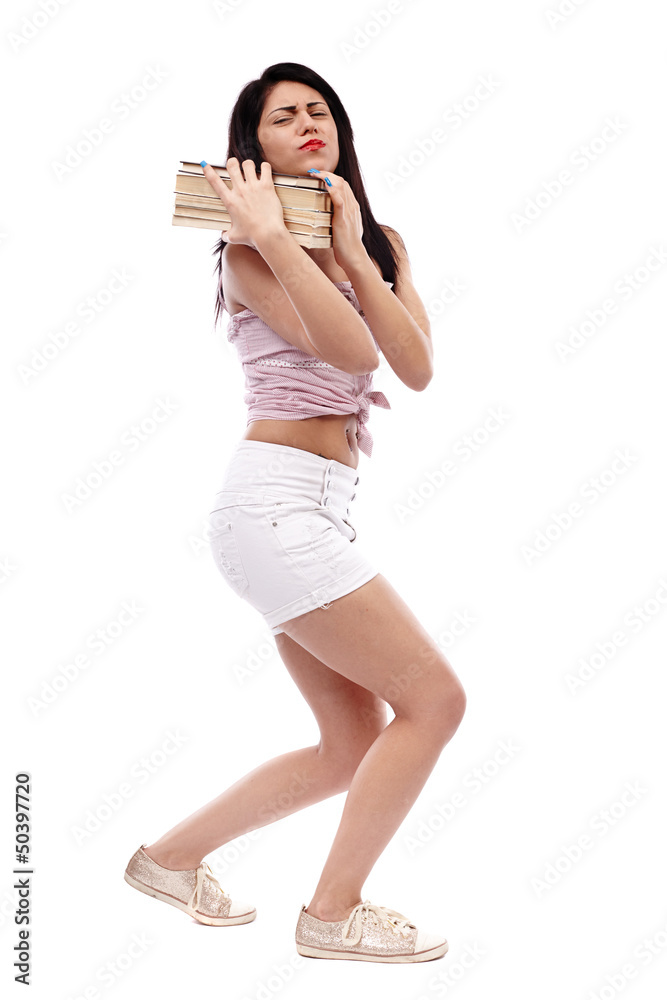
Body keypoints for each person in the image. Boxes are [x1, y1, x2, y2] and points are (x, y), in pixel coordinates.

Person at [124, 62, 466, 964]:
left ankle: (171, 860)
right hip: (271, 505)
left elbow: (415, 368)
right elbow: (350, 350)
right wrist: (278, 238)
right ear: (254, 150)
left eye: (320, 111)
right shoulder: (244, 254)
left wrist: (357, 252)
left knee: (351, 740)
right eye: (283, 118)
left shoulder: (382, 239)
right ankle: (332, 913)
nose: (309, 123)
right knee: (434, 701)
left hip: (316, 513)